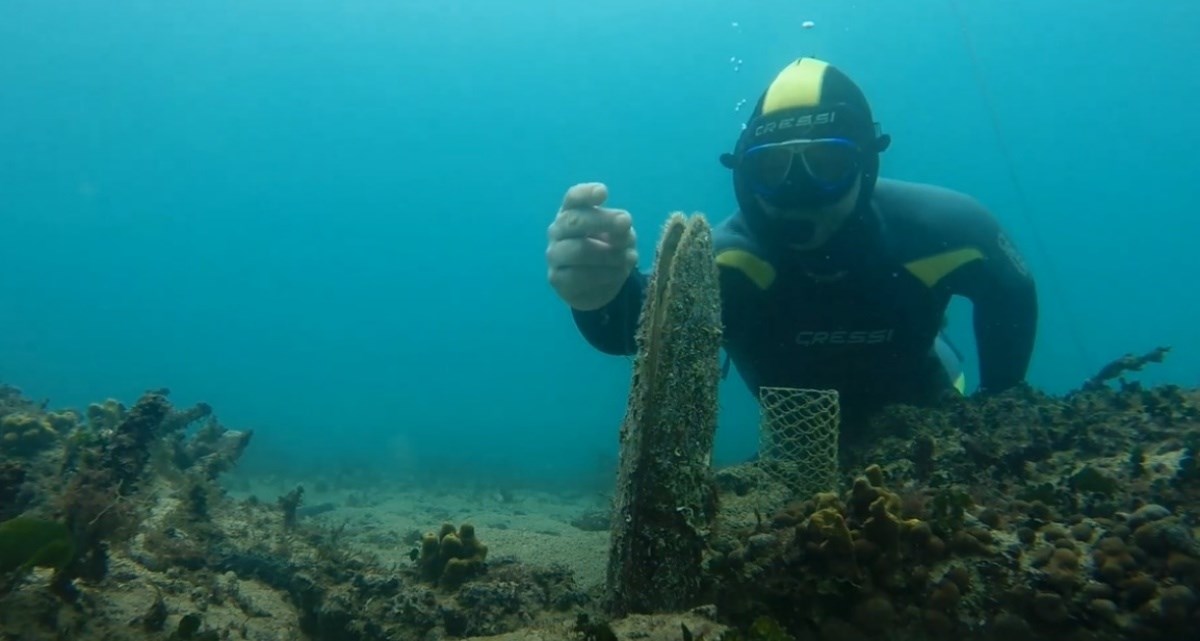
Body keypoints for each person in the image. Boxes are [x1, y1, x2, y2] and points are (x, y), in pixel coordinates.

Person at [545, 56, 1037, 430]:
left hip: (931, 406)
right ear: (743, 174)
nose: (798, 191)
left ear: (866, 164)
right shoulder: (731, 260)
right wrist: (598, 291)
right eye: (772, 168)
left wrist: (997, 407)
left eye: (825, 165)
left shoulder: (945, 228)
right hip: (806, 441)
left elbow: (1011, 290)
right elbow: (631, 327)